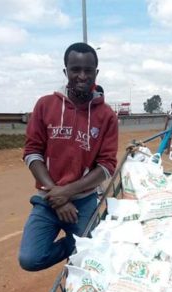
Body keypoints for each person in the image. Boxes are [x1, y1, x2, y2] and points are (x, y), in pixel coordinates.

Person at [18, 42, 118, 272]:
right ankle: (74, 245)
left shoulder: (106, 116)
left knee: (92, 259)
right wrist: (57, 195)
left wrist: (68, 192)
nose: (82, 76)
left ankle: (79, 246)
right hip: (48, 198)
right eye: (75, 69)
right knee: (30, 259)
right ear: (66, 72)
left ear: (96, 73)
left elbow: (106, 166)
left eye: (88, 70)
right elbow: (32, 152)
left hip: (83, 201)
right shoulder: (45, 105)